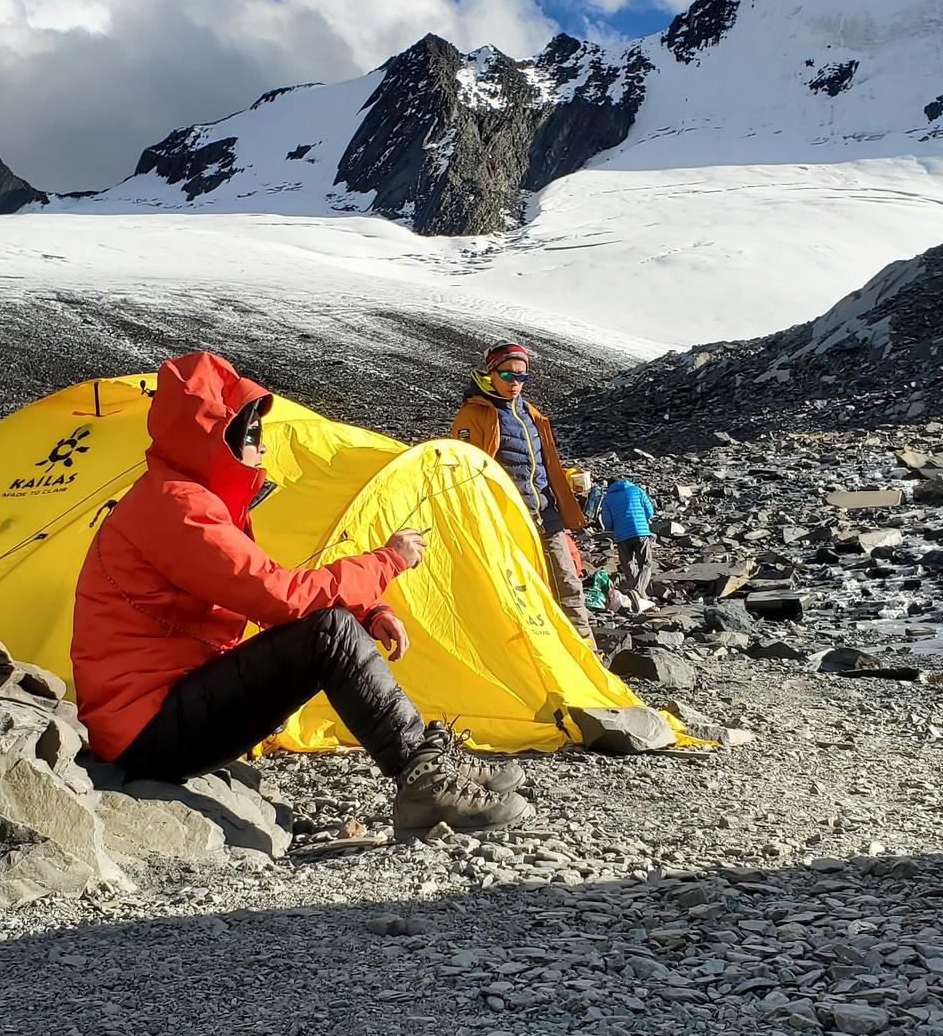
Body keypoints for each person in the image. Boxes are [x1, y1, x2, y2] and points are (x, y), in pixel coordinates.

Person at [71, 351, 529, 835]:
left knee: (330, 625)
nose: (262, 449)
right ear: (215, 441)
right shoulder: (178, 507)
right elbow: (278, 596)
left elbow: (271, 587)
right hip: (144, 731)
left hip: (160, 710)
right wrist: (386, 561)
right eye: (251, 435)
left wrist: (366, 608)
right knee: (326, 633)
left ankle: (430, 764)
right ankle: (424, 778)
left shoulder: (185, 499)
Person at [450, 341, 595, 643]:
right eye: (507, 376)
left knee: (568, 584)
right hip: (508, 521)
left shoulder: (529, 413)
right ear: (491, 373)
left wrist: (568, 478)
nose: (515, 383)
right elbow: (465, 469)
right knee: (524, 590)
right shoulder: (474, 414)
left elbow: (539, 464)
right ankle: (537, 658)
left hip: (546, 514)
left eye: (522, 377)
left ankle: (587, 656)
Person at [599, 476, 656, 603]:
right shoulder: (637, 490)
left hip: (621, 536)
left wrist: (613, 529)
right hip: (640, 531)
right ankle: (638, 592)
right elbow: (649, 511)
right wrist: (643, 520)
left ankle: (635, 591)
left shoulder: (608, 498)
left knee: (628, 564)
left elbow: (607, 521)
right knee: (645, 564)